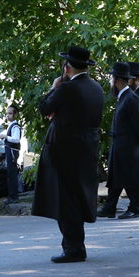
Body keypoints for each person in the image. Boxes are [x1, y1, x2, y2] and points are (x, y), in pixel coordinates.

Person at [31, 45, 105, 263]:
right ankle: (76, 245)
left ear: (67, 67)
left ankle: (73, 248)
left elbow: (45, 107)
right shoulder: (96, 88)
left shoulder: (67, 88)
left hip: (64, 150)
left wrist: (55, 88)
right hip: (87, 148)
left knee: (66, 200)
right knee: (77, 196)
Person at [99, 63, 139, 219]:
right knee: (116, 177)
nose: (111, 82)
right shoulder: (124, 97)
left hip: (128, 146)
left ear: (117, 79)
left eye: (112, 78)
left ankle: (135, 207)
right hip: (121, 144)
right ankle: (109, 207)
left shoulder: (131, 98)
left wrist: (136, 145)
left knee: (127, 177)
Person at [0, 104, 22, 203]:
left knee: (12, 174)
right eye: (6, 113)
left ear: (15, 114)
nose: (7, 116)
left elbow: (16, 139)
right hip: (9, 151)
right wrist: (1, 136)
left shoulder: (15, 126)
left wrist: (5, 136)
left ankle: (14, 197)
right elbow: (8, 137)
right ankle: (12, 196)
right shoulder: (10, 125)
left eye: (10, 113)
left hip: (12, 151)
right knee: (10, 174)